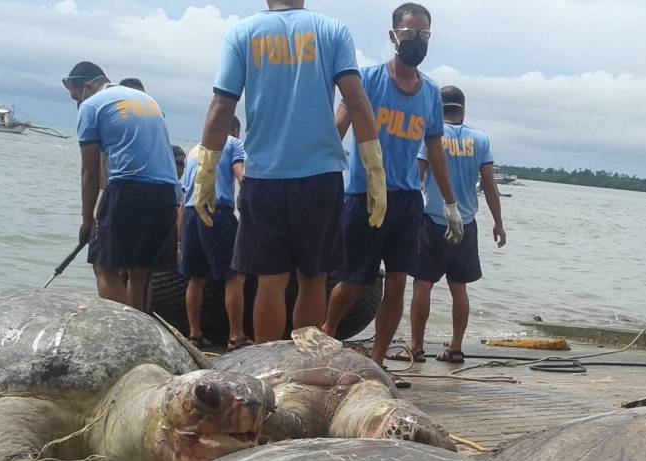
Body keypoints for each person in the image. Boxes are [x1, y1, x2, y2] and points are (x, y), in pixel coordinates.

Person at [191, 1, 385, 344]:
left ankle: (270, 370)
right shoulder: (332, 30)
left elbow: (222, 107)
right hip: (319, 176)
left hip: (264, 176)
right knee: (312, 278)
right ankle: (302, 371)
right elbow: (356, 101)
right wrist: (374, 169)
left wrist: (205, 173)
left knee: (270, 279)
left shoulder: (243, 33)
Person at [322, 3, 462, 387]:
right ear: (393, 36)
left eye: (423, 35)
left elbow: (435, 152)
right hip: (365, 194)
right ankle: (326, 341)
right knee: (354, 280)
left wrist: (450, 204)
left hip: (406, 200)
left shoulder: (430, 93)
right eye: (409, 33)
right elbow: (338, 129)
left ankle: (377, 364)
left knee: (398, 282)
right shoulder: (366, 80)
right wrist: (319, 175)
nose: (415, 40)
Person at [63, 61, 179, 312]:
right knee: (140, 274)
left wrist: (86, 220)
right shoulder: (147, 100)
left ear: (88, 86)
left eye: (76, 97)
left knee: (104, 267)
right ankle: (145, 341)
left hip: (129, 188)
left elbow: (91, 172)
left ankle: (126, 337)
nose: (77, 105)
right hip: (169, 192)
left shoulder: (92, 106)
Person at [403, 84, 506, 365]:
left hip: (433, 221)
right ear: (463, 109)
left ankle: (416, 347)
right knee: (458, 288)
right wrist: (498, 223)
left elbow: (417, 178)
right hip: (466, 223)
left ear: (438, 108)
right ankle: (456, 348)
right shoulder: (480, 140)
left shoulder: (432, 136)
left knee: (422, 285)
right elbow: (489, 185)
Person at [179, 119, 249, 351]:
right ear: (235, 130)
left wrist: (180, 232)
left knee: (196, 277)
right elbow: (241, 175)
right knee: (235, 275)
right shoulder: (233, 142)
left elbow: (184, 194)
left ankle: (194, 334)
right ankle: (236, 336)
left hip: (190, 212)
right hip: (216, 210)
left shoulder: (194, 151)